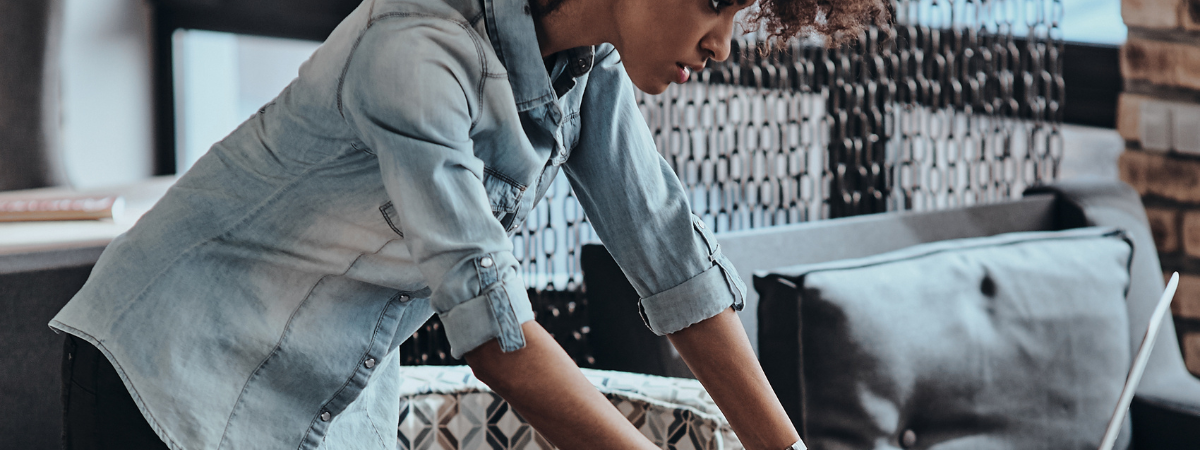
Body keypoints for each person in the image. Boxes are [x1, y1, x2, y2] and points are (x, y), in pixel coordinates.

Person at [52, 0, 888, 448]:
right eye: (714, 1)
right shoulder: (416, 49)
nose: (723, 45)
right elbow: (499, 341)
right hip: (165, 362)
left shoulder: (586, 67)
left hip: (320, 386)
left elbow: (672, 258)